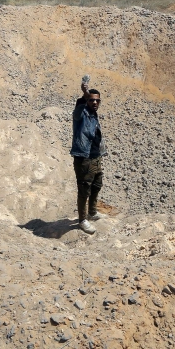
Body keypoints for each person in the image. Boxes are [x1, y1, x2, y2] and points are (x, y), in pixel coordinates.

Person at [70, 79, 107, 234]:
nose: (95, 103)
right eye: (92, 100)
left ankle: (92, 212)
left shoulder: (93, 115)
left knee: (97, 185)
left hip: (95, 157)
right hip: (84, 159)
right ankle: (82, 220)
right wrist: (85, 95)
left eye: (97, 100)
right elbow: (78, 108)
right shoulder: (81, 114)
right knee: (84, 190)